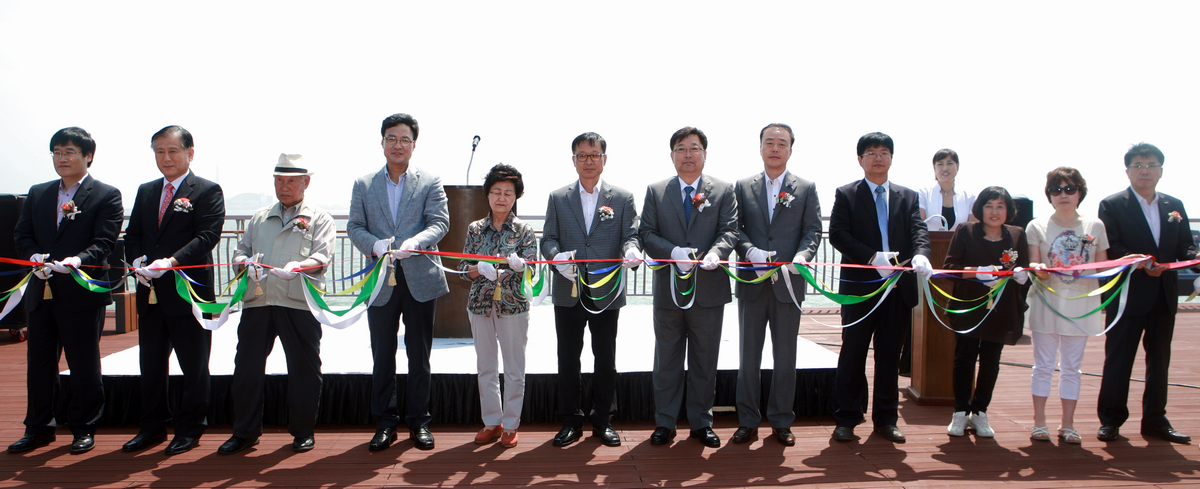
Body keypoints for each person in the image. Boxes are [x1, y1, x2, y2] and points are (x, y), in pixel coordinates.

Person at [8, 127, 123, 454]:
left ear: (88, 156)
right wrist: (33, 256)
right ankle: (38, 427)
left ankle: (83, 427)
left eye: (70, 152)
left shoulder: (106, 194)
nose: (62, 158)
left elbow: (105, 241)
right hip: (41, 288)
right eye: (57, 152)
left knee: (83, 362)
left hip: (81, 291)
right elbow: (22, 235)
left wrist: (78, 260)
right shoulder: (38, 192)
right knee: (39, 363)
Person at [218, 154, 336, 455]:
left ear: (306, 183)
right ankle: (244, 432)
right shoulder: (259, 217)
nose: (284, 187)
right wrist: (244, 264)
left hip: (298, 302)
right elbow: (241, 251)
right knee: (246, 368)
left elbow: (322, 257)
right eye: (279, 180)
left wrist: (299, 266)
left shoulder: (320, 218)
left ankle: (303, 431)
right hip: (258, 300)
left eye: (291, 181)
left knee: (304, 369)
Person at [347, 113, 449, 451]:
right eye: (392, 138)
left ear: (414, 145)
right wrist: (374, 246)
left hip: (420, 276)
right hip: (380, 279)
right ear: (382, 142)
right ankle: (385, 423)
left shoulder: (430, 181)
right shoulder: (364, 184)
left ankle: (419, 422)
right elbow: (354, 226)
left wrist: (416, 242)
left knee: (419, 355)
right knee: (382, 354)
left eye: (405, 139)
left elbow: (440, 222)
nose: (398, 145)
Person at [122, 126, 225, 456]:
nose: (165, 158)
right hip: (150, 291)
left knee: (194, 365)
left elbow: (207, 236)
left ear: (189, 153)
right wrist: (136, 260)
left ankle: (190, 428)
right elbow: (133, 234)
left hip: (188, 292)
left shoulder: (207, 190)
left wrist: (172, 261)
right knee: (151, 365)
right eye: (159, 151)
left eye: (172, 151)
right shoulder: (147, 190)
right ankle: (152, 427)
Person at [828, 132, 932, 443]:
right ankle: (847, 418)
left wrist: (922, 255)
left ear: (891, 158)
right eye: (871, 152)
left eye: (884, 152)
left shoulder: (908, 197)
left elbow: (919, 232)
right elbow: (837, 234)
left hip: (897, 288)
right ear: (860, 159)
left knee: (889, 356)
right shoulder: (847, 194)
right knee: (853, 353)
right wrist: (872, 257)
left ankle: (886, 420)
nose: (877, 157)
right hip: (859, 289)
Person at [638, 127, 738, 448]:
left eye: (694, 148)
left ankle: (701, 423)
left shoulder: (723, 190)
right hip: (668, 290)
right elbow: (646, 233)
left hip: (709, 288)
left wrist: (716, 253)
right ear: (672, 156)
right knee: (666, 359)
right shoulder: (656, 191)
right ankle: (665, 423)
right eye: (681, 149)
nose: (688, 155)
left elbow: (730, 231)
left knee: (704, 360)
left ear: (705, 154)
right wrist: (672, 252)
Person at [540, 132, 641, 448]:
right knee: (568, 357)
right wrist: (556, 257)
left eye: (594, 154)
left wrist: (632, 251)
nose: (588, 161)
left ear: (604, 159)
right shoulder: (558, 197)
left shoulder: (622, 197)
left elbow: (630, 236)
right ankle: (571, 420)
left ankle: (603, 420)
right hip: (568, 287)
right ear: (573, 160)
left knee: (605, 357)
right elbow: (548, 238)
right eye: (582, 155)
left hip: (606, 288)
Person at [1096, 143, 1196, 444]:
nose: (1145, 170)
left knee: (1159, 360)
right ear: (1127, 171)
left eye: (1151, 164)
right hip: (1128, 294)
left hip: (1164, 294)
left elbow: (1184, 247)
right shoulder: (1112, 204)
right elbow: (1112, 247)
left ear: (1161, 171)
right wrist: (1141, 263)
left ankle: (1155, 420)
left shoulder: (1174, 205)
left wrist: (1195, 257)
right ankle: (1111, 420)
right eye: (1138, 165)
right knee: (1119, 358)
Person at [731, 123, 821, 447]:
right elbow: (734, 228)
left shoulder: (806, 188)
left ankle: (782, 421)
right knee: (748, 357)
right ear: (760, 147)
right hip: (752, 283)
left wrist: (802, 256)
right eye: (769, 142)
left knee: (785, 358)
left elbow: (813, 231)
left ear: (790, 150)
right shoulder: (743, 186)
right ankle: (747, 421)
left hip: (788, 283)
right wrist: (749, 251)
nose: (775, 148)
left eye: (782, 143)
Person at [1025, 167, 1110, 444]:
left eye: (1070, 189)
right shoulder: (1036, 226)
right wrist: (1038, 268)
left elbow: (1103, 266)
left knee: (1072, 367)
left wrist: (1130, 262)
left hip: (1081, 305)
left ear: (1080, 193)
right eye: (1056, 189)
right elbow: (1034, 262)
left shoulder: (1095, 226)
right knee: (1043, 365)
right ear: (1049, 195)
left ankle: (1068, 424)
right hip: (1046, 303)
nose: (1063, 194)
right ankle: (1039, 422)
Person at [458, 164, 537, 448]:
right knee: (486, 366)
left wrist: (522, 266)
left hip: (513, 306)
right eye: (496, 191)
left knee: (514, 367)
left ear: (516, 196)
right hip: (480, 305)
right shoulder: (475, 229)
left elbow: (534, 271)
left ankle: (511, 424)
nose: (502, 198)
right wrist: (478, 268)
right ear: (488, 194)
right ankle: (492, 422)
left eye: (508, 193)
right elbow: (462, 269)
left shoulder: (525, 230)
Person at [942, 186, 1030, 438]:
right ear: (980, 208)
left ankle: (980, 411)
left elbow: (1023, 269)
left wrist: (1023, 276)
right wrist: (976, 272)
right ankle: (960, 412)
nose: (994, 211)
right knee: (964, 358)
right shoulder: (966, 231)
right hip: (968, 305)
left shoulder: (1017, 234)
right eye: (989, 205)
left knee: (991, 360)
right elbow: (950, 267)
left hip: (1000, 309)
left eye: (1000, 206)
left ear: (1008, 210)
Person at [917, 149, 978, 231]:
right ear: (934, 168)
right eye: (940, 164)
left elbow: (972, 230)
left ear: (957, 166)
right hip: (928, 239)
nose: (945, 168)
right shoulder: (923, 194)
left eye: (949, 163)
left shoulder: (969, 197)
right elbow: (918, 226)